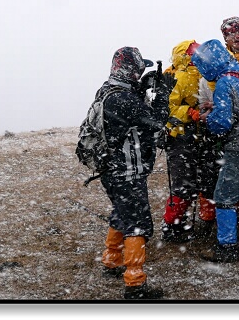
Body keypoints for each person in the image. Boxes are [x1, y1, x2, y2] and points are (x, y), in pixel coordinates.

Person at [96, 46, 169, 299]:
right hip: (126, 170)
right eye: (139, 71)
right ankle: (135, 283)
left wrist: (142, 86)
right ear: (130, 70)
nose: (141, 74)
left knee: (122, 211)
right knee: (137, 223)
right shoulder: (123, 99)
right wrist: (162, 95)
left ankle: (111, 258)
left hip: (110, 170)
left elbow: (130, 115)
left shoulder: (107, 91)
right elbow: (156, 120)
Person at [191, 39, 239, 262]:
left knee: (224, 196)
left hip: (236, 146)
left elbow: (222, 123)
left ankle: (227, 247)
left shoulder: (225, 82)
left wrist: (208, 118)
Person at [161, 39, 212, 242]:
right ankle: (173, 226)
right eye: (194, 53)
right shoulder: (176, 78)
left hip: (196, 137)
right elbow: (168, 108)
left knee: (200, 181)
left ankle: (185, 223)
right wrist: (191, 112)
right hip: (180, 138)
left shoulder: (200, 75)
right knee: (184, 185)